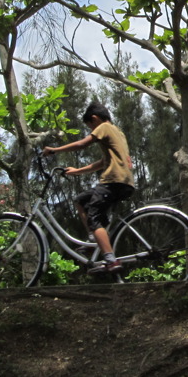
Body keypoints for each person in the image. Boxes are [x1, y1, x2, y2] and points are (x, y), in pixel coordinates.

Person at [43, 101, 135, 273]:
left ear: (95, 119)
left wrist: (54, 150)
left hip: (113, 180)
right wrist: (77, 171)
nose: (91, 131)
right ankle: (95, 241)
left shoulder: (104, 127)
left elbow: (81, 144)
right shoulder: (118, 133)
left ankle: (110, 260)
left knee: (94, 218)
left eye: (90, 127)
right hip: (124, 181)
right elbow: (102, 162)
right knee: (80, 201)